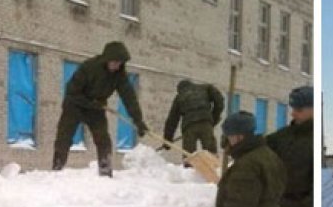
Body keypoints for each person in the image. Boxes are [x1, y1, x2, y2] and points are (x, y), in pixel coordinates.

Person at [53, 41, 148, 177]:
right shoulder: (89, 67)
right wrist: (91, 103)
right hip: (75, 104)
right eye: (114, 62)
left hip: (96, 107)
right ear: (107, 59)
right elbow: (71, 91)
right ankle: (57, 168)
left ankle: (105, 172)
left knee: (103, 139)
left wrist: (138, 120)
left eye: (120, 63)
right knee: (64, 136)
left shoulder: (119, 75)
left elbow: (129, 98)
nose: (117, 66)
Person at [162, 80, 225, 156]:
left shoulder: (179, 97)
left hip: (189, 127)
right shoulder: (205, 88)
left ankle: (189, 166)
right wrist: (213, 118)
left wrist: (167, 140)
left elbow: (172, 120)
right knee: (211, 154)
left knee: (189, 156)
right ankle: (213, 167)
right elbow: (219, 101)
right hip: (205, 123)